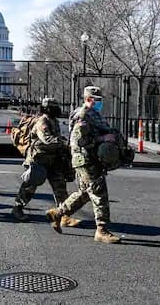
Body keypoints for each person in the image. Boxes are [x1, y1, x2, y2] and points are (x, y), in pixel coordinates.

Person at [45, 86, 121, 244]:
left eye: (101, 100)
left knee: (85, 193)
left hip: (90, 159)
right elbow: (77, 141)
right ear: (88, 99)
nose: (100, 103)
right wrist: (102, 139)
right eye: (97, 100)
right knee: (99, 192)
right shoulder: (84, 115)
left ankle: (57, 214)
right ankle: (101, 230)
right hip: (86, 160)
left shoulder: (93, 114)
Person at [12, 97, 80, 228]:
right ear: (48, 108)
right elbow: (48, 139)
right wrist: (67, 144)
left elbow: (56, 139)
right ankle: (17, 208)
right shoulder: (42, 121)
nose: (58, 109)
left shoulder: (53, 121)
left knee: (60, 188)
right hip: (39, 160)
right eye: (55, 107)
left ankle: (64, 216)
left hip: (53, 160)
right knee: (29, 186)